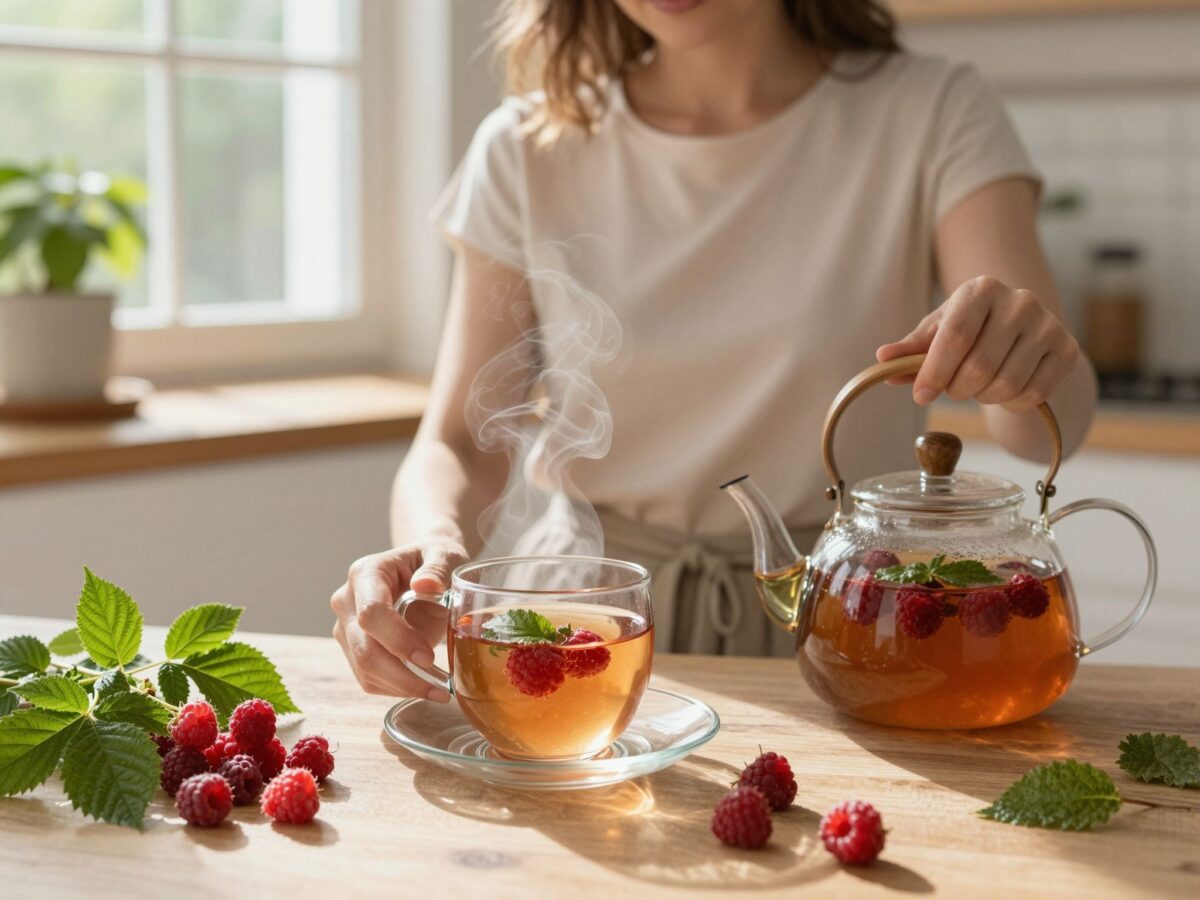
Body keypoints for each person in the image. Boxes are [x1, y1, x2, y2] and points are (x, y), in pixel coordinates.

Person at [331, 0, 1096, 700]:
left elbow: (1046, 429)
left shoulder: (931, 111)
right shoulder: (525, 146)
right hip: (586, 619)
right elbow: (461, 439)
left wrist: (1024, 363)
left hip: (848, 621)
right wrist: (431, 553)